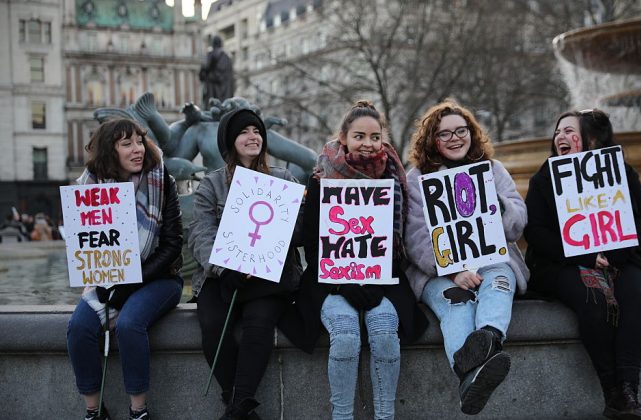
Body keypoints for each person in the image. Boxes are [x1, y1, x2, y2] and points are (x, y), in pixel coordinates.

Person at [524, 109, 641, 419]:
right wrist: (585, 256)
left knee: (636, 294)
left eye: (570, 131)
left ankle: (628, 390)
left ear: (591, 139)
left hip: (621, 257)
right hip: (562, 264)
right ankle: (612, 391)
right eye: (558, 131)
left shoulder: (621, 171)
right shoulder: (543, 178)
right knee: (592, 299)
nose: (561, 137)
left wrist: (614, 254)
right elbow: (536, 232)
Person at [279, 100, 428, 420]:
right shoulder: (321, 178)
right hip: (329, 279)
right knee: (346, 338)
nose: (368, 144)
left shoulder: (392, 178)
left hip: (382, 278)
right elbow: (311, 240)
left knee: (385, 336)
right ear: (344, 137)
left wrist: (373, 277)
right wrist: (345, 281)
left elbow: (394, 240)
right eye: (359, 136)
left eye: (375, 137)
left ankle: (385, 416)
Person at [403, 99, 529, 415]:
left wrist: (498, 206)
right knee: (456, 303)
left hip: (492, 260)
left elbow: (517, 219)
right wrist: (452, 270)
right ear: (431, 139)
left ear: (471, 133)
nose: (455, 138)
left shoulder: (493, 170)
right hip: (438, 273)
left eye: (462, 130)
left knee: (500, 282)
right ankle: (473, 374)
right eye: (445, 134)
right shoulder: (416, 178)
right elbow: (414, 237)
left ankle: (487, 338)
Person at [188, 108, 303, 419]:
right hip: (222, 276)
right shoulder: (211, 184)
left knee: (258, 323)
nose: (253, 137)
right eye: (243, 132)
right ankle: (239, 406)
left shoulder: (283, 179)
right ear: (229, 140)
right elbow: (200, 232)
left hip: (270, 276)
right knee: (212, 325)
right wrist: (224, 268)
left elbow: (297, 231)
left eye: (257, 131)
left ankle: (237, 408)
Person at [66, 119, 184, 420]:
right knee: (79, 327)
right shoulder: (89, 187)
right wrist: (96, 275)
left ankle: (138, 411)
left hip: (160, 277)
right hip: (109, 279)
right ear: (110, 150)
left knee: (131, 324)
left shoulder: (161, 180)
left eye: (139, 141)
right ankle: (93, 411)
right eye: (126, 143)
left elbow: (172, 246)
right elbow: (84, 244)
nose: (137, 149)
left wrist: (132, 281)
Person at [199, 35, 234, 108]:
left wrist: (204, 73)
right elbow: (231, 77)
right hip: (226, 94)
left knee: (212, 110)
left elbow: (203, 72)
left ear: (213, 44)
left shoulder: (210, 55)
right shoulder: (227, 57)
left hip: (212, 91)